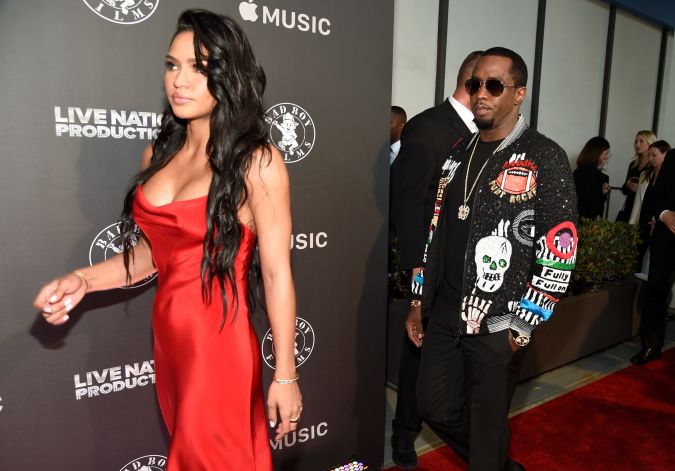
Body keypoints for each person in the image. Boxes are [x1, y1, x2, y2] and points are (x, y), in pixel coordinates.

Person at [32, 10, 302, 470]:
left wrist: (286, 374)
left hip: (218, 345)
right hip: (170, 342)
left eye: (198, 68)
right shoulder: (158, 153)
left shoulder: (256, 161)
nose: (179, 80)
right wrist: (83, 280)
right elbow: (153, 256)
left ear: (227, 75)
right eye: (172, 65)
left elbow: (277, 275)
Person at [411, 47, 577, 471]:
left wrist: (522, 326)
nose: (481, 93)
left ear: (519, 93)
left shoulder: (544, 156)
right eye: (474, 84)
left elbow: (560, 249)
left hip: (500, 322)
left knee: (486, 429)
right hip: (445, 311)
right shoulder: (457, 152)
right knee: (432, 405)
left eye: (494, 85)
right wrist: (418, 299)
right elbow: (434, 231)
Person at [389, 50, 483, 469]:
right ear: (473, 82)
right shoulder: (428, 127)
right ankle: (404, 435)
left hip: (467, 269)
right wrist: (417, 273)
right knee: (417, 355)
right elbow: (406, 203)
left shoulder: (484, 134)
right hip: (427, 268)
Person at [632, 144, 675, 365]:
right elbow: (653, 196)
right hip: (667, 238)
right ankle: (651, 345)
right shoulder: (672, 158)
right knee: (657, 290)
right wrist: (664, 214)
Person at [632, 140, 671, 273]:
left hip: (660, 224)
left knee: (655, 263)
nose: (650, 159)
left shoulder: (670, 176)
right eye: (649, 155)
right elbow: (638, 202)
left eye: (654, 155)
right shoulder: (646, 174)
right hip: (643, 222)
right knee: (638, 257)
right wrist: (633, 223)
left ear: (666, 154)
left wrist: (659, 218)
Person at [616, 130, 656, 222]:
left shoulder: (654, 166)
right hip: (629, 208)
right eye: (636, 141)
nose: (637, 144)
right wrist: (628, 184)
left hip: (644, 210)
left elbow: (656, 192)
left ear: (650, 143)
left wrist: (641, 188)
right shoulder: (633, 164)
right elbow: (624, 190)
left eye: (641, 141)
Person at [573, 136, 610, 219]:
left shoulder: (580, 169)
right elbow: (594, 203)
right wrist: (602, 193)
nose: (606, 157)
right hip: (588, 221)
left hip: (578, 217)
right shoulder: (592, 173)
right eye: (605, 153)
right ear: (597, 153)